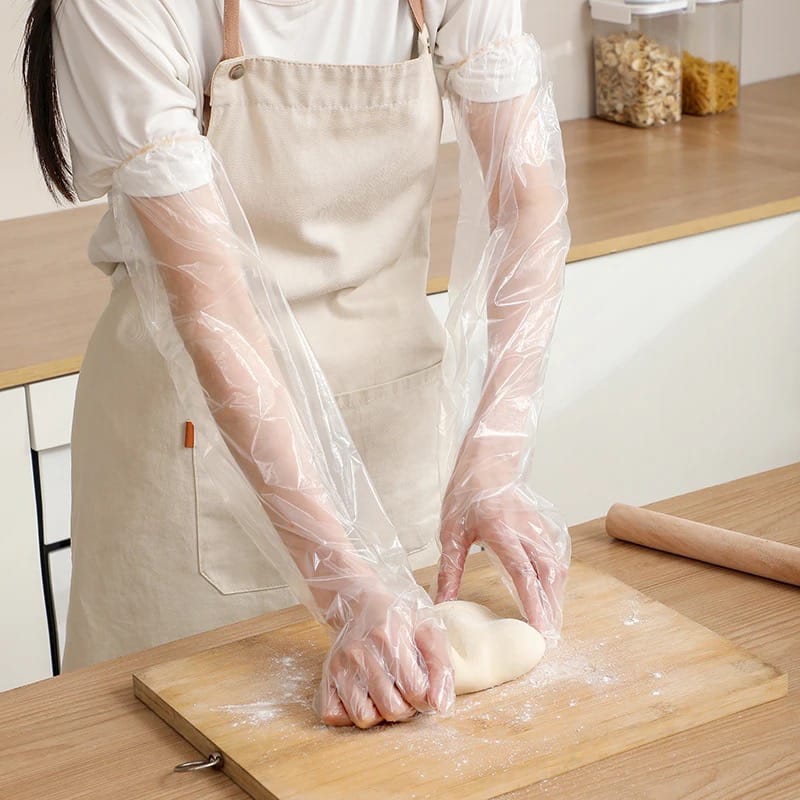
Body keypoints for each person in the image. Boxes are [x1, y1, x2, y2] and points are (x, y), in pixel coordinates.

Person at [22, 0, 571, 728]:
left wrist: (495, 452)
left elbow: (525, 199)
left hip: (392, 432)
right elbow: (213, 301)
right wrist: (346, 585)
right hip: (195, 453)